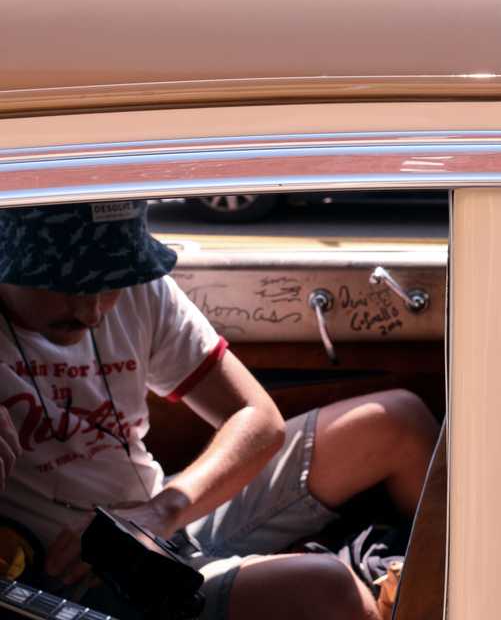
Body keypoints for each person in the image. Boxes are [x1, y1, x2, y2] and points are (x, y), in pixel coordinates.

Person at [0, 201, 438, 620]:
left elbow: (257, 417)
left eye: (109, 282)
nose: (92, 311)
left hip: (160, 512)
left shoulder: (139, 287)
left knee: (398, 421)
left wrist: (162, 511)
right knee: (327, 585)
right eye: (65, 283)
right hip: (83, 576)